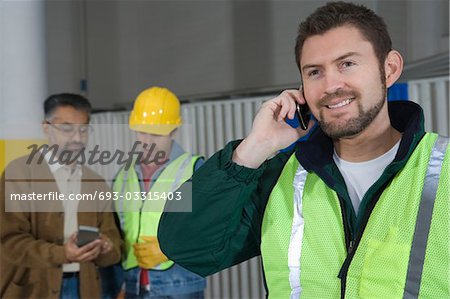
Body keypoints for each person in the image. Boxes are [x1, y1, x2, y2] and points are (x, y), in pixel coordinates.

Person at [158, 2, 450, 298]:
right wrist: (254, 149)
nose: (331, 85)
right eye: (314, 72)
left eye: (347, 64)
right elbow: (183, 245)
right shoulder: (281, 180)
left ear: (389, 69)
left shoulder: (444, 170)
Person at [0, 93, 122, 298]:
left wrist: (104, 246)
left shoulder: (96, 183)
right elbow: (10, 241)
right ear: (46, 127)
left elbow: (115, 244)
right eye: (66, 128)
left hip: (84, 288)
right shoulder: (19, 174)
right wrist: (63, 254)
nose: (76, 137)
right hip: (33, 289)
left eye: (83, 129)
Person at [109, 87, 206, 298]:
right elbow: (119, 231)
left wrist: (170, 249)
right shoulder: (123, 177)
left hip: (179, 288)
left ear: (174, 130)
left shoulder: (193, 170)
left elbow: (211, 230)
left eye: (156, 134)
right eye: (142, 132)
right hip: (133, 286)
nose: (148, 141)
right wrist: (119, 285)